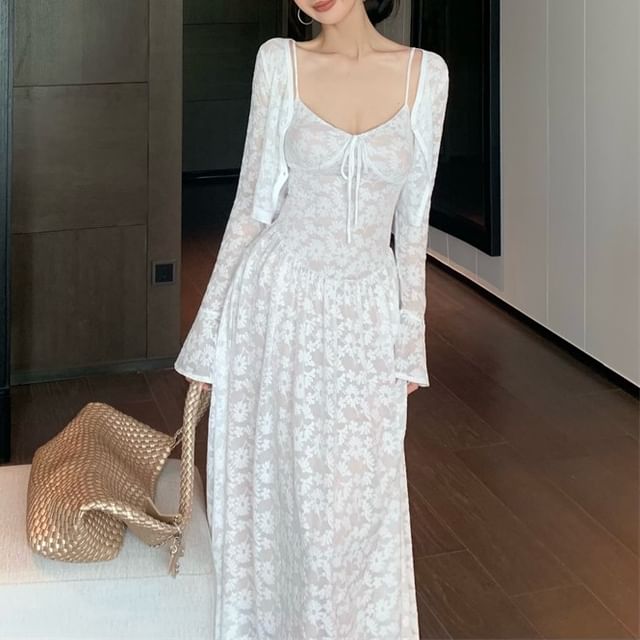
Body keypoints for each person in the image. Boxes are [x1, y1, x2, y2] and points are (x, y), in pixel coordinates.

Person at [174, 0, 449, 637]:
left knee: (355, 507)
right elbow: (251, 206)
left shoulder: (426, 75)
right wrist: (208, 338)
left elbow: (413, 224)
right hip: (278, 309)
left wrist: (410, 338)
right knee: (286, 502)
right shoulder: (280, 64)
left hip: (366, 315)